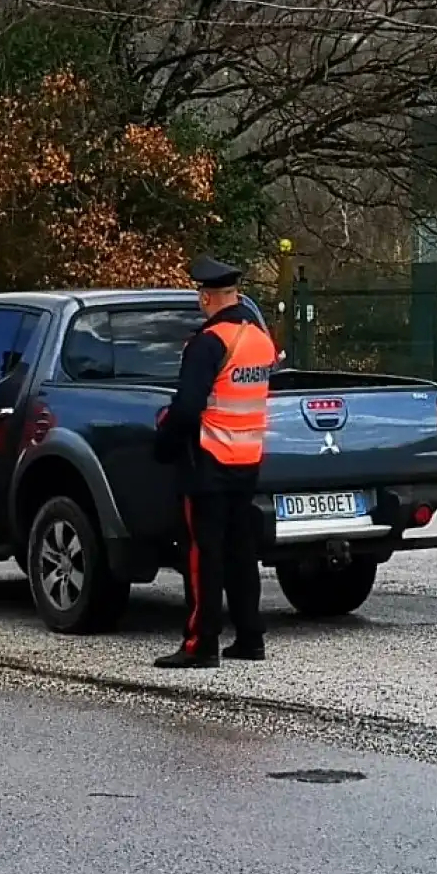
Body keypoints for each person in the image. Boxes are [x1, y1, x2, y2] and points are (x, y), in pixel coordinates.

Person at [151, 255, 276, 668]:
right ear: (235, 293)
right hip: (248, 459)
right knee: (241, 551)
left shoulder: (209, 342)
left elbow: (187, 408)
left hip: (208, 461)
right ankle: (249, 637)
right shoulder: (260, 338)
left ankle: (200, 644)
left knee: (204, 556)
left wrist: (164, 439)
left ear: (205, 297)